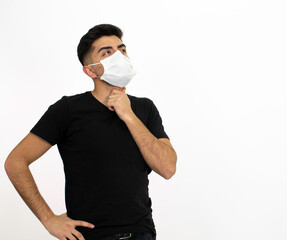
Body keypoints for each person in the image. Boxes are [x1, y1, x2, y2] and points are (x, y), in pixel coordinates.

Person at [4, 24, 177, 240]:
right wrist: (48, 219)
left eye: (122, 50)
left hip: (141, 232)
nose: (119, 57)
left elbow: (167, 168)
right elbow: (15, 161)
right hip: (88, 236)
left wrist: (129, 115)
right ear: (90, 70)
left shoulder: (144, 108)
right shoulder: (67, 110)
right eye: (107, 52)